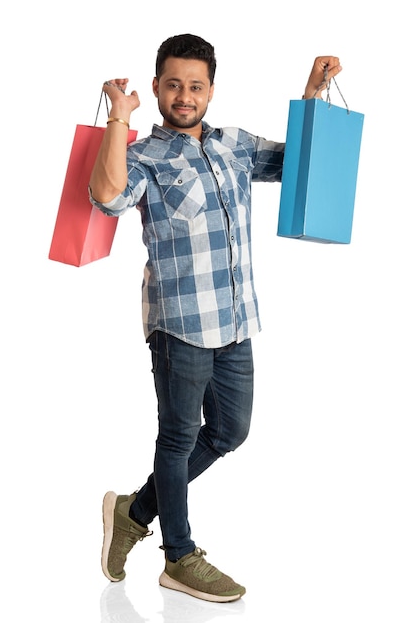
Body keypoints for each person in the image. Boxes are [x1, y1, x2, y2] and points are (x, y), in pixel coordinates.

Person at [89, 33, 342, 603]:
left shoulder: (234, 145)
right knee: (178, 438)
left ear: (210, 90)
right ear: (156, 87)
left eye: (195, 86)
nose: (184, 96)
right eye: (173, 85)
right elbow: (105, 196)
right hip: (179, 324)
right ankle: (178, 556)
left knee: (230, 431)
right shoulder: (143, 158)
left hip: (235, 319)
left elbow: (300, 162)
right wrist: (118, 119)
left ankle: (133, 511)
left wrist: (311, 94)